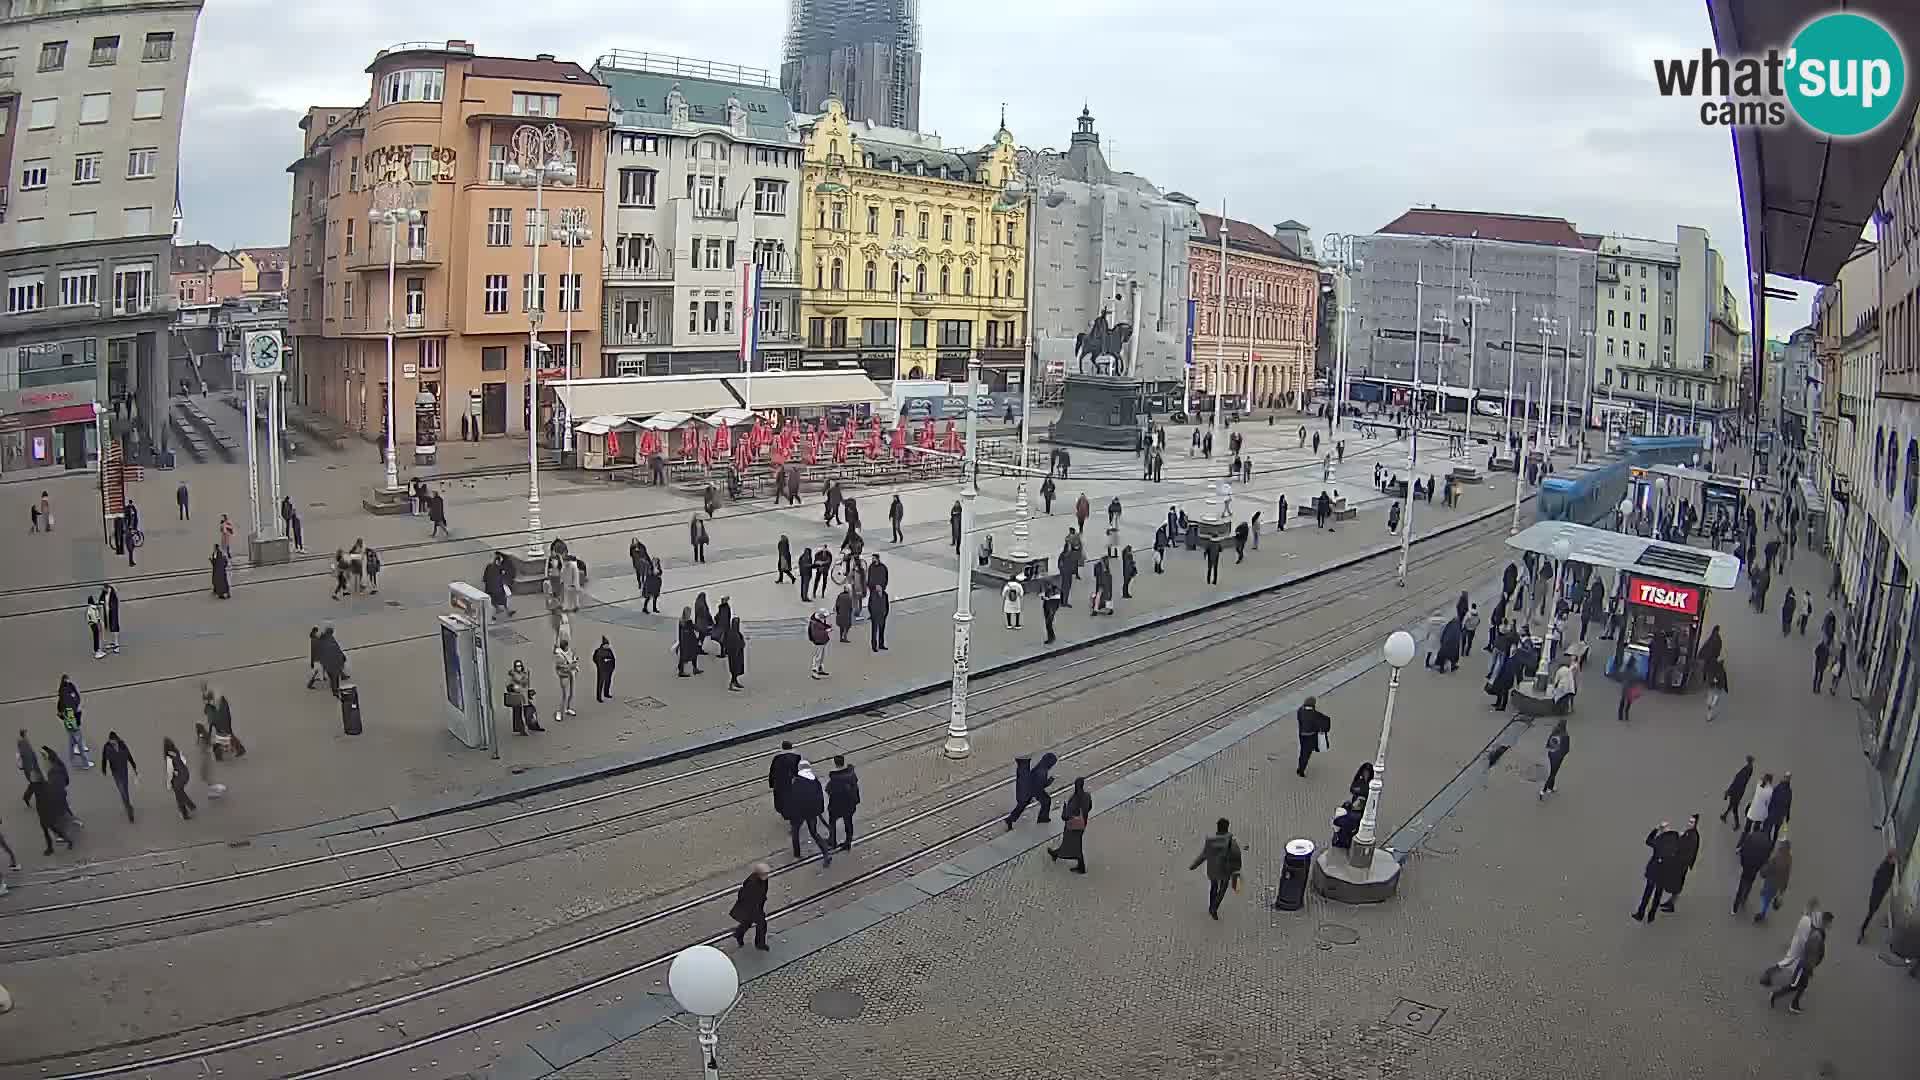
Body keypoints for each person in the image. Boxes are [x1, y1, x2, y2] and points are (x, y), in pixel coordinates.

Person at [1768, 911, 1831, 1013]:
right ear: (1825, 922)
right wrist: (1809, 967)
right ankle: (1775, 995)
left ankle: (1794, 1004)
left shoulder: (1819, 932)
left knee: (1803, 986)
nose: (1830, 925)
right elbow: (1810, 953)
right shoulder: (1816, 935)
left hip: (1807, 966)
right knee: (1794, 986)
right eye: (1829, 922)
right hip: (1804, 967)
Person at [1189, 817, 1243, 920]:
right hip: (1225, 871)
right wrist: (1237, 869)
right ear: (1227, 828)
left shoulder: (1210, 840)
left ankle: (1211, 905)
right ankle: (1214, 907)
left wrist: (1194, 865)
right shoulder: (1231, 842)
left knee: (1213, 887)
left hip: (1212, 869)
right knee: (1222, 889)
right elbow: (1237, 855)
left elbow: (1204, 855)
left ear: (1217, 828)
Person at [783, 761, 832, 866]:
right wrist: (818, 810)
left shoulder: (796, 782)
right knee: (814, 833)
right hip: (812, 812)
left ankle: (797, 854)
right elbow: (820, 797)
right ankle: (826, 854)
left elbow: (792, 799)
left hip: (799, 813)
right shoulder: (815, 781)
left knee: (795, 831)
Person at [1631, 820, 1682, 923]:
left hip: (1654, 871)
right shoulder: (1676, 840)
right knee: (1658, 894)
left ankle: (1640, 914)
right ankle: (1651, 916)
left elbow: (1648, 841)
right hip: (1665, 873)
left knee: (1647, 893)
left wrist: (1656, 829)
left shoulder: (1659, 840)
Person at [23, 759, 76, 852]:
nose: (31, 777)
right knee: (47, 831)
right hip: (43, 812)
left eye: (32, 776)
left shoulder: (39, 786)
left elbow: (29, 794)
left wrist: (26, 800)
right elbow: (28, 794)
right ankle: (52, 847)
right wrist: (26, 799)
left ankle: (67, 841)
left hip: (46, 812)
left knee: (53, 829)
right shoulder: (43, 785)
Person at [1047, 778, 1092, 874]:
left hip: (1072, 827)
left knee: (1070, 845)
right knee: (1075, 845)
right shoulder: (1087, 796)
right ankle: (1079, 866)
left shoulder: (1074, 799)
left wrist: (1064, 808)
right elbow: (1089, 807)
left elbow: (1065, 816)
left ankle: (1057, 854)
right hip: (1082, 825)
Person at [1004, 752, 1057, 827]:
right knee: (1046, 801)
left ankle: (1010, 819)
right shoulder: (1043, 771)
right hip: (1035, 790)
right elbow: (1041, 786)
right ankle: (1043, 818)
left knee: (1022, 805)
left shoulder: (1040, 766)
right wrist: (1049, 781)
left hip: (1029, 788)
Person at [1662, 814, 1702, 912]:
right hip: (1680, 864)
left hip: (1681, 865)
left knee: (1676, 885)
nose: (1689, 823)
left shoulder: (1693, 836)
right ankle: (1670, 902)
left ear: (1695, 824)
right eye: (1689, 821)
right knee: (1675, 884)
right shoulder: (1690, 833)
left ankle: (1671, 905)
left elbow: (1688, 852)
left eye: (1692, 822)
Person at [729, 863, 772, 951]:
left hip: (756, 906)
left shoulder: (763, 879)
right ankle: (760, 944)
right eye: (765, 873)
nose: (767, 875)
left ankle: (739, 934)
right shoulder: (752, 883)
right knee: (761, 924)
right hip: (751, 908)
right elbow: (744, 895)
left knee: (747, 923)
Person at [1860, 848, 1898, 944]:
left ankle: (1863, 930)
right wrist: (1884, 889)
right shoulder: (1885, 868)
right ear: (1890, 858)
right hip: (1877, 894)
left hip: (1879, 893)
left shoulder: (1890, 865)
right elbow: (1879, 880)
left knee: (1872, 912)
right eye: (1894, 858)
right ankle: (1862, 931)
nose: (1896, 860)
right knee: (1871, 912)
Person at [1754, 838, 1795, 922]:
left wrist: (1762, 873)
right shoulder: (1789, 859)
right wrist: (1783, 889)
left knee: (1764, 896)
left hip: (1770, 881)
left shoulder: (1776, 857)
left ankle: (1762, 913)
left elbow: (1769, 867)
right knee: (1768, 898)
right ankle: (1763, 911)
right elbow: (1787, 875)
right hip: (1777, 885)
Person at [825, 754, 860, 851]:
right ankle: (848, 842)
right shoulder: (851, 774)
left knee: (832, 822)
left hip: (837, 805)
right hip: (849, 804)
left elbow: (828, 790)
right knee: (848, 822)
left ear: (835, 763)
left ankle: (832, 841)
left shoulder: (834, 777)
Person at [504, 660, 543, 734]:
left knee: (530, 711)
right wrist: (513, 687)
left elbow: (527, 684)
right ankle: (520, 729)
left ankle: (533, 726)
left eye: (520, 666)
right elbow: (508, 685)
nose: (519, 667)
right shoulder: (512, 675)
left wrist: (529, 691)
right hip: (517, 696)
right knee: (517, 713)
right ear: (515, 667)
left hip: (524, 696)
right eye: (517, 666)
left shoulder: (524, 673)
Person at [161, 737, 194, 821]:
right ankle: (188, 807)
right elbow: (184, 761)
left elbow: (170, 772)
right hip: (186, 774)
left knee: (178, 794)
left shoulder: (169, 757)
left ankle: (186, 810)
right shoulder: (177, 751)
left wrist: (168, 783)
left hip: (179, 778)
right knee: (179, 791)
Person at [1296, 697, 1330, 777]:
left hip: (1302, 735)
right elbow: (1323, 722)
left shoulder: (1300, 710)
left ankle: (1300, 767)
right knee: (1306, 754)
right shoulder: (1315, 714)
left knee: (1303, 751)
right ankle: (1301, 770)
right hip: (1310, 736)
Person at [1540, 717, 1571, 798]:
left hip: (1551, 755)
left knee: (1553, 772)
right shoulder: (1565, 735)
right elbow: (1566, 749)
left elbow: (1547, 745)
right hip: (1558, 757)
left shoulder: (1554, 733)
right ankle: (1543, 790)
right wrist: (1562, 755)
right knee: (1553, 774)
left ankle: (1550, 788)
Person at [1721, 756, 1754, 826]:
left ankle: (1737, 824)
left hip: (1736, 792)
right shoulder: (1748, 769)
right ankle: (1725, 815)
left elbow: (1737, 783)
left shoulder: (1745, 772)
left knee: (1734, 808)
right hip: (1739, 791)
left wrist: (1729, 791)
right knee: (1731, 805)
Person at [552, 637, 579, 721]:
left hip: (571, 673)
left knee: (571, 693)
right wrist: (571, 665)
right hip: (564, 675)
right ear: (565, 646)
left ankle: (568, 708)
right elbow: (559, 666)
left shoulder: (570, 651)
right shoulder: (559, 655)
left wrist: (575, 661)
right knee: (565, 695)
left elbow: (574, 658)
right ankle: (559, 712)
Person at [1766, 772, 1793, 842]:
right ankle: (1771, 844)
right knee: (1775, 830)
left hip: (1774, 813)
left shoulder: (1778, 788)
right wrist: (1787, 816)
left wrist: (1768, 810)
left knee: (1769, 829)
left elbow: (1772, 800)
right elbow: (1788, 805)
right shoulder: (1789, 791)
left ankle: (1768, 843)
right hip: (1779, 815)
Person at [675, 609, 702, 677]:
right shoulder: (688, 622)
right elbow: (694, 628)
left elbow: (680, 632)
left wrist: (680, 641)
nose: (690, 614)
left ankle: (692, 669)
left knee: (686, 655)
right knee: (690, 654)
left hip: (685, 641)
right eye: (689, 613)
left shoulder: (682, 621)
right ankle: (683, 671)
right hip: (689, 641)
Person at [722, 616, 746, 692]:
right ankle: (732, 684)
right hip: (733, 654)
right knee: (734, 669)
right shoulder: (731, 633)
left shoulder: (736, 632)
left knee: (736, 669)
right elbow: (727, 643)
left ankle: (735, 682)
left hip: (738, 654)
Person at [808, 607, 832, 678]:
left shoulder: (816, 620)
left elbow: (821, 627)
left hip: (822, 641)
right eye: (824, 616)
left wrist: (827, 627)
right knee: (818, 657)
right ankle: (815, 672)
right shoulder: (815, 623)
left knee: (821, 656)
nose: (825, 618)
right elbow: (817, 634)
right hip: (819, 641)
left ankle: (820, 669)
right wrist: (827, 631)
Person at [592, 637, 616, 702]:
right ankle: (599, 697)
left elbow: (613, 659)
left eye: (608, 644)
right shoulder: (598, 651)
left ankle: (606, 693)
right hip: (602, 670)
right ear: (603, 645)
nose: (608, 646)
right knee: (600, 683)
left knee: (608, 681)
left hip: (609, 669)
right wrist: (600, 664)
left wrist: (612, 667)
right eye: (607, 645)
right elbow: (595, 659)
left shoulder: (609, 650)